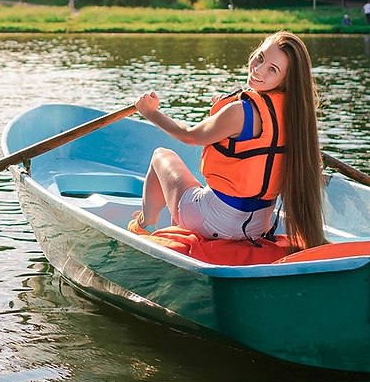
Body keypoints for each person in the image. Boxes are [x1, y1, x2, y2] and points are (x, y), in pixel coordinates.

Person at [132, 31, 325, 252]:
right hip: (257, 226)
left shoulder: (240, 111)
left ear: (285, 79)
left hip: (214, 222)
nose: (258, 69)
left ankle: (143, 224)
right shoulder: (298, 117)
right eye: (260, 57)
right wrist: (221, 112)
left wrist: (151, 113)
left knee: (161, 156)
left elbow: (190, 135)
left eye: (272, 69)